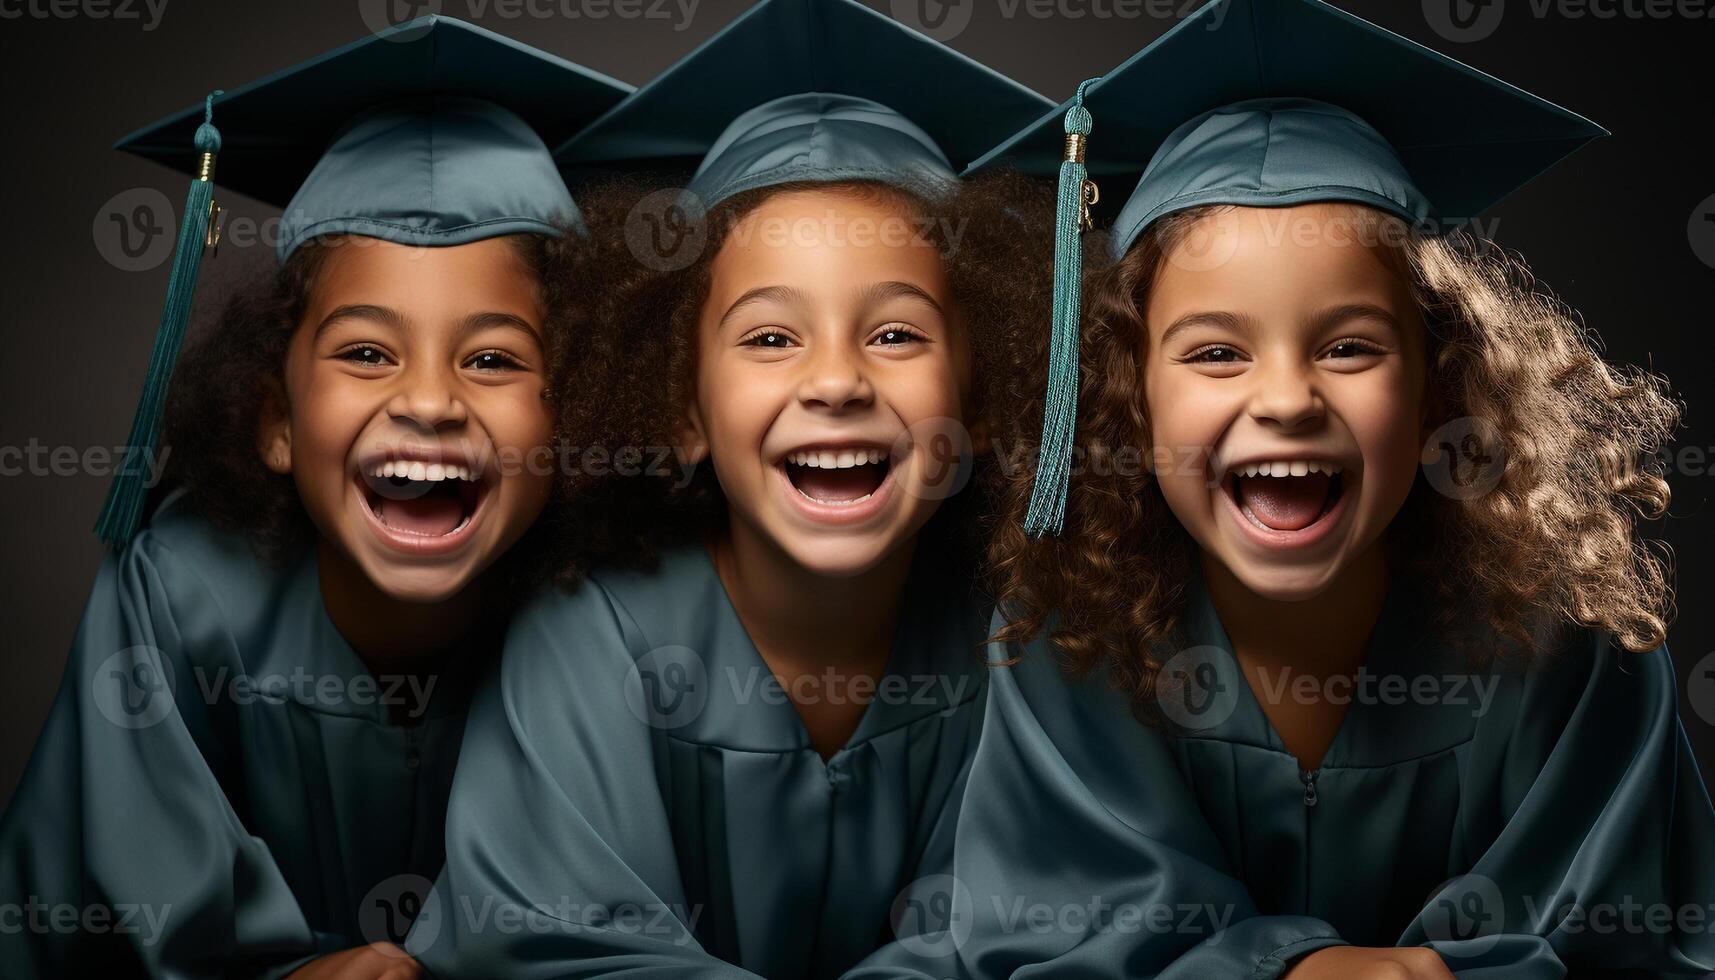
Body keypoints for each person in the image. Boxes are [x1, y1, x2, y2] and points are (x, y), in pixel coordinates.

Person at [911, 0, 1715, 976]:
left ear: (1437, 389)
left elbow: (1630, 944)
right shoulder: (1065, 645)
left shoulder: (1572, 657)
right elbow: (1048, 936)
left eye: (1347, 347)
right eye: (1214, 351)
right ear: (1128, 397)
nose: (1285, 398)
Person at [409, 1, 1056, 977]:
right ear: (682, 406)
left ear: (981, 386)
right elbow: (554, 943)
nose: (836, 380)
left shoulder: (1009, 637)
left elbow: (1020, 932)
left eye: (894, 333)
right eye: (768, 336)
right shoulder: (591, 636)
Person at [0, 17, 629, 978]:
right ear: (275, 422)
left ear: (573, 419)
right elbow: (79, 925)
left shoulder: (615, 613)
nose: (427, 401)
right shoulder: (182, 593)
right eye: (366, 352)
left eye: (494, 357)